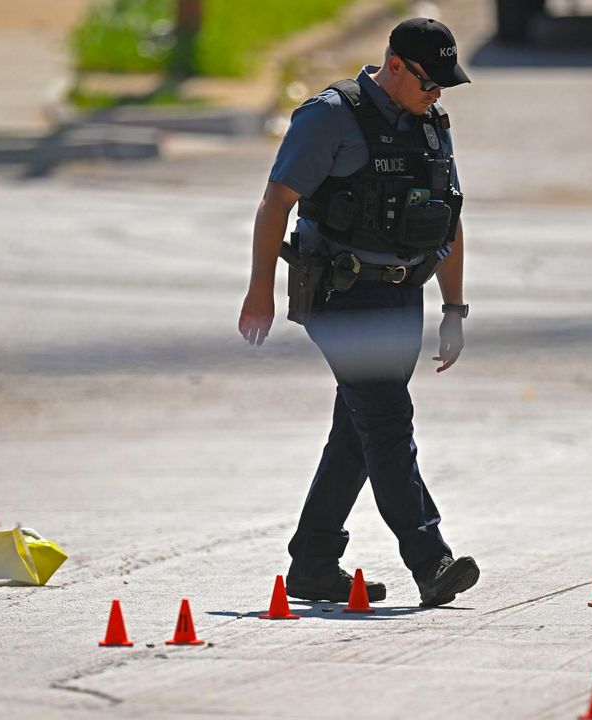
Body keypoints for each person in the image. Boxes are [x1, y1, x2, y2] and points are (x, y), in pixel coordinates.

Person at [238, 18, 479, 608]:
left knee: (359, 429)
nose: (437, 94)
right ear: (395, 65)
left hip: (402, 293)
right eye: (429, 81)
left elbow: (448, 219)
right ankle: (431, 559)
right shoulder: (329, 117)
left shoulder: (429, 125)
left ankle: (314, 564)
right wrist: (259, 289)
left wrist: (452, 307)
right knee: (389, 424)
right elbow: (276, 201)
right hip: (340, 294)